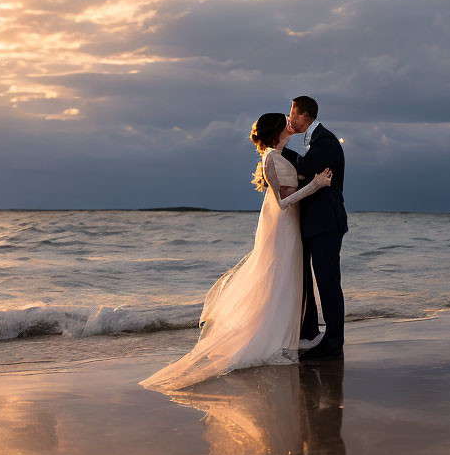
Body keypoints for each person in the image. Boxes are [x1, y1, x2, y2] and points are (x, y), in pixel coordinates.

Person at [139, 112, 332, 391]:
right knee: (280, 279)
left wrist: (308, 181)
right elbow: (284, 201)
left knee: (288, 281)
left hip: (290, 227)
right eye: (285, 122)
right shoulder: (270, 159)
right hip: (282, 226)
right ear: (276, 130)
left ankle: (289, 340)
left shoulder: (280, 156)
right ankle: (275, 341)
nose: (289, 124)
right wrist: (315, 185)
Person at [282, 96, 348, 359]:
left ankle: (333, 342)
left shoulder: (326, 141)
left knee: (328, 283)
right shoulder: (315, 140)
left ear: (304, 115)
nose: (290, 119)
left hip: (326, 223)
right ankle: (309, 330)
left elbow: (305, 171)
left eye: (293, 114)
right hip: (314, 223)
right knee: (310, 280)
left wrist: (279, 148)